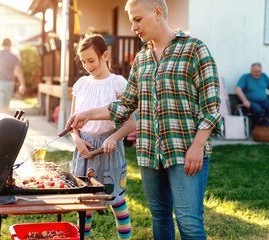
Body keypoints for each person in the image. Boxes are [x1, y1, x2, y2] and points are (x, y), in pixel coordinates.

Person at [66, 1, 222, 239]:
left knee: (189, 223)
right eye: (131, 20)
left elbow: (212, 106)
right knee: (159, 217)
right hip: (149, 153)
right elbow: (126, 104)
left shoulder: (194, 49)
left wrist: (198, 146)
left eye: (137, 19)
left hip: (185, 151)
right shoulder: (141, 59)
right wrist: (88, 114)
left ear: (157, 12)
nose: (133, 26)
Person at [71, 34, 136, 240]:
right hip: (85, 149)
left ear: (104, 56)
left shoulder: (117, 83)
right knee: (84, 202)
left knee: (116, 200)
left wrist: (114, 138)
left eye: (91, 60)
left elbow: (132, 122)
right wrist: (77, 139)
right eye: (83, 61)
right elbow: (73, 122)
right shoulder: (81, 84)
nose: (87, 65)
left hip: (110, 148)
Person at [0, 38, 26, 114]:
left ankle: (0, 124)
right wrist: (23, 85)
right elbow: (18, 71)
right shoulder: (14, 57)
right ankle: (7, 124)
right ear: (10, 45)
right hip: (9, 84)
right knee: (5, 106)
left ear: (2, 45)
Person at [235, 62, 269, 127]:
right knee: (258, 110)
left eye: (259, 71)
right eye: (255, 71)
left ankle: (264, 125)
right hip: (250, 101)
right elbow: (238, 88)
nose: (257, 73)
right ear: (251, 71)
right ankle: (255, 127)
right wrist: (244, 100)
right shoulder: (246, 77)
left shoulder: (264, 76)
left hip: (263, 101)